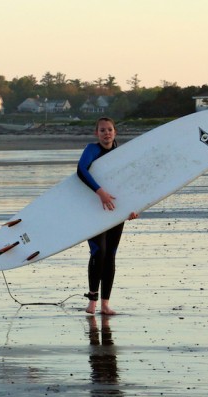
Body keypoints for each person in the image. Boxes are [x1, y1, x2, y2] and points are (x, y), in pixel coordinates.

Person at [77, 117, 139, 315]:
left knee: (110, 255)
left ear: (115, 132)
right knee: (99, 252)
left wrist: (133, 208)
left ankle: (105, 304)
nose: (106, 133)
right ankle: (92, 302)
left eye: (109, 130)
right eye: (102, 130)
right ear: (97, 133)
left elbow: (129, 183)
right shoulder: (92, 150)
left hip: (115, 210)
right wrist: (100, 192)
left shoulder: (120, 153)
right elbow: (81, 171)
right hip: (92, 210)